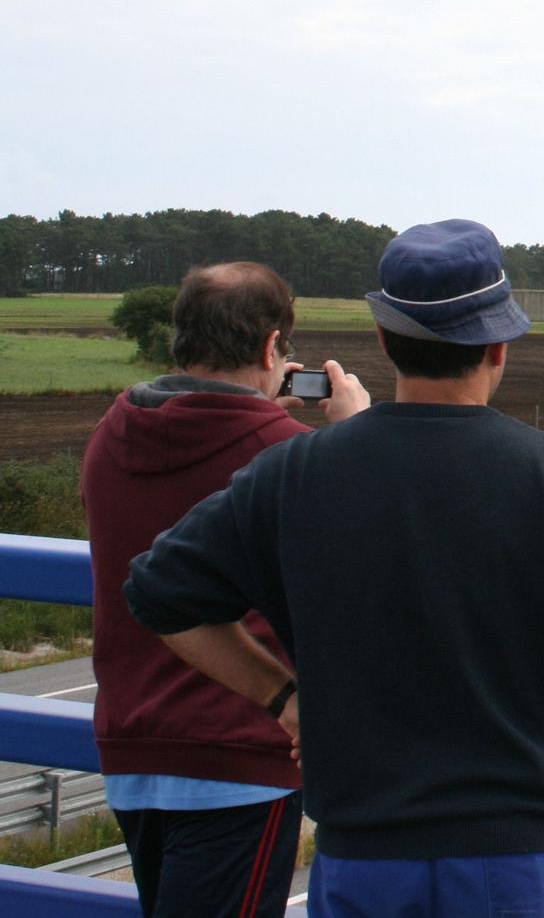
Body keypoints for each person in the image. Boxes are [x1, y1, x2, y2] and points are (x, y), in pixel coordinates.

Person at [123, 219, 544, 916]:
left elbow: (159, 593)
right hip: (518, 854)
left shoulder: (294, 473)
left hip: (362, 859)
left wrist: (285, 698)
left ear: (383, 338)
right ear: (498, 345)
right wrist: (526, 694)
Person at [82, 262, 370, 918]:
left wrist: (253, 418)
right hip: (241, 751)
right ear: (272, 348)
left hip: (131, 749)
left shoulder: (112, 434)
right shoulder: (288, 455)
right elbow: (379, 540)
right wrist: (354, 438)